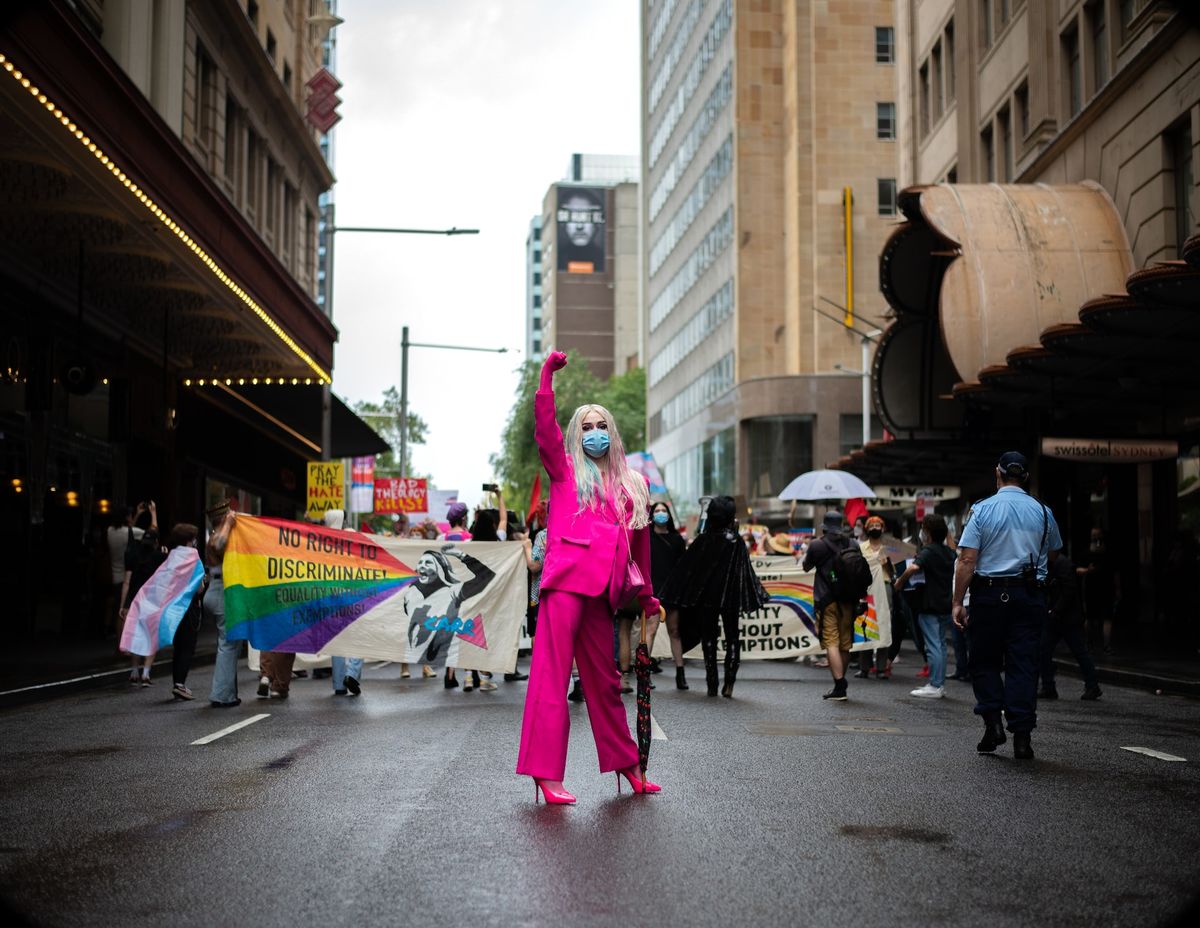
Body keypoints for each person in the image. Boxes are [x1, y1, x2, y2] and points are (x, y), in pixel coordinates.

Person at [515, 350, 661, 804]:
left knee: (606, 684)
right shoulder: (563, 472)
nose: (594, 433)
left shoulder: (632, 484)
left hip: (603, 594)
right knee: (550, 679)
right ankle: (545, 774)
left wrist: (649, 599)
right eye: (586, 426)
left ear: (612, 433)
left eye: (602, 426)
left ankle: (628, 767)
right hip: (563, 587)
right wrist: (545, 379)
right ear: (576, 434)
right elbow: (544, 431)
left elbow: (640, 548)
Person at [954, 451, 1063, 760]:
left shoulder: (983, 510)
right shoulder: (1044, 512)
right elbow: (1053, 553)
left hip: (989, 596)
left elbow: (967, 560)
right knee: (1024, 664)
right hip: (1029, 596)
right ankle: (1022, 738)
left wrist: (958, 602)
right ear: (1026, 477)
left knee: (984, 661)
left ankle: (993, 724)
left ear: (997, 473)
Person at [659, 496, 768, 698]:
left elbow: (688, 569)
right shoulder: (736, 542)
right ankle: (729, 682)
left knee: (709, 637)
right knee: (733, 636)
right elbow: (744, 571)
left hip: (707, 597)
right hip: (731, 596)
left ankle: (712, 683)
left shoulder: (703, 540)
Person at [895, 514, 957, 698]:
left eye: (923, 528)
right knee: (941, 646)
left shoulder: (928, 552)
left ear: (927, 532)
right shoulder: (949, 552)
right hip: (945, 603)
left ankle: (935, 685)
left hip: (929, 604)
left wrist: (900, 581)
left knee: (933, 646)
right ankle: (939, 684)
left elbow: (914, 568)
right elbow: (953, 549)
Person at [803, 510, 857, 701]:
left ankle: (839, 684)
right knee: (844, 644)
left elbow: (806, 566)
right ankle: (841, 683)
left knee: (831, 642)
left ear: (824, 527)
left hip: (826, 600)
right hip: (849, 600)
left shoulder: (817, 545)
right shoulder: (853, 543)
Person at [1039, 551, 1102, 701]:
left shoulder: (1062, 564)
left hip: (1067, 618)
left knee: (1079, 652)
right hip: (1057, 617)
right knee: (1044, 650)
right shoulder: (1053, 564)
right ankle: (1048, 686)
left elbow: (1069, 591)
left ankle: (1092, 686)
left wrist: (1056, 610)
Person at [323, 510, 365, 697]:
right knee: (358, 634)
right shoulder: (353, 537)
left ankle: (339, 683)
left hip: (331, 594)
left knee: (337, 638)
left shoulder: (321, 541)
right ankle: (352, 673)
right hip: (353, 593)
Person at [120, 504, 162, 686]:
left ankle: (134, 671)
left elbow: (127, 582)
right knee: (150, 636)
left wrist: (123, 604)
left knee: (136, 635)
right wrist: (154, 513)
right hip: (153, 602)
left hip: (135, 601)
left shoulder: (133, 555)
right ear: (156, 543)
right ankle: (146, 673)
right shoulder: (159, 557)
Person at [162, 523, 205, 701]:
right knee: (188, 646)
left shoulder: (171, 556)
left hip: (172, 607)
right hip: (188, 607)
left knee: (178, 646)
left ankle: (177, 683)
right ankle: (180, 685)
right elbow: (199, 588)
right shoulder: (193, 556)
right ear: (190, 540)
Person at [648, 502, 688, 690]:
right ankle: (644, 674)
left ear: (669, 515)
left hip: (672, 592)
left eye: (664, 510)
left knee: (675, 631)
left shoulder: (677, 539)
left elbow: (684, 567)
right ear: (652, 514)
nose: (661, 513)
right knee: (651, 630)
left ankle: (681, 674)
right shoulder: (646, 539)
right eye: (657, 511)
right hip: (653, 591)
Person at [205, 507, 241, 707]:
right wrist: (228, 522)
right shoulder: (217, 536)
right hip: (220, 590)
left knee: (231, 642)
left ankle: (228, 693)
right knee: (228, 644)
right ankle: (221, 695)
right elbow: (219, 545)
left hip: (220, 589)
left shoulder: (218, 534)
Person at [857, 515, 896, 680]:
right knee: (865, 624)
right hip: (866, 589)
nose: (874, 528)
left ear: (883, 528)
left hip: (885, 587)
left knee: (883, 623)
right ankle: (864, 667)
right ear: (867, 529)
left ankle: (881, 668)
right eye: (871, 525)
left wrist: (885, 562)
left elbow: (893, 573)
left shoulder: (889, 547)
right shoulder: (861, 547)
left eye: (877, 525)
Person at [106, 504, 144, 638]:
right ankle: (121, 643)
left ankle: (118, 641)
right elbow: (151, 532)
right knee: (125, 611)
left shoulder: (110, 530)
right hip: (127, 577)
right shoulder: (133, 532)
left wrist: (137, 515)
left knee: (118, 608)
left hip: (115, 575)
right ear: (127, 517)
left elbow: (128, 531)